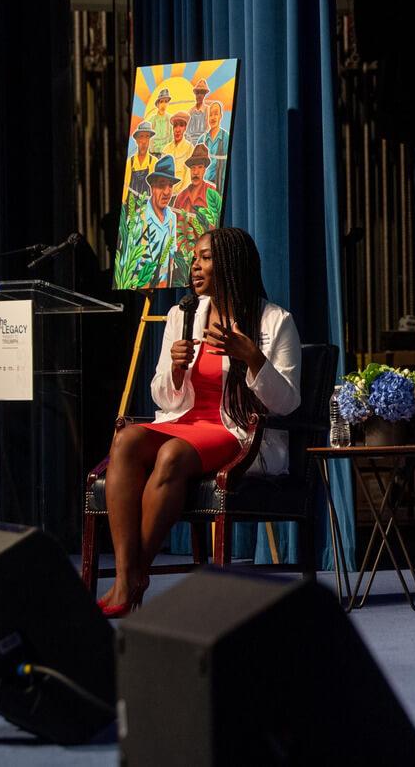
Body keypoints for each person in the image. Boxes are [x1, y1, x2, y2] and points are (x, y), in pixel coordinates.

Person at [97, 227, 300, 615]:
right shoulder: (181, 315)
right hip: (184, 421)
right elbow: (162, 396)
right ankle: (127, 575)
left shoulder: (274, 321)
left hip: (236, 432)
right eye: (195, 259)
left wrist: (253, 358)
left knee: (172, 454)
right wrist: (175, 371)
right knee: (125, 441)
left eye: (205, 258)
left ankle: (133, 575)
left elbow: (288, 403)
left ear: (231, 264)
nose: (195, 267)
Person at [115, 154, 200, 289]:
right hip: (142, 286)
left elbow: (171, 256)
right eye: (161, 185)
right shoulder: (137, 220)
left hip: (165, 285)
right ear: (152, 188)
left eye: (170, 186)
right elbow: (124, 266)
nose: (167, 192)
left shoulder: (172, 218)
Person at [172, 143, 222, 229]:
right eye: (193, 168)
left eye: (200, 167)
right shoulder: (181, 197)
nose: (196, 172)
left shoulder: (213, 194)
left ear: (205, 170)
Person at [123, 120, 158, 199]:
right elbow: (125, 190)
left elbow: (155, 189)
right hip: (131, 206)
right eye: (141, 136)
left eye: (147, 137)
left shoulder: (153, 162)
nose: (144, 141)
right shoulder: (130, 163)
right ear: (136, 140)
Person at [201, 100, 230, 190]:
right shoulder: (203, 139)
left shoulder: (225, 137)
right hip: (203, 186)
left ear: (221, 116)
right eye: (210, 115)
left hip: (218, 186)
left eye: (216, 114)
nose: (213, 117)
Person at [165, 111, 195, 192]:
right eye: (175, 126)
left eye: (181, 125)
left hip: (182, 194)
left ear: (185, 128)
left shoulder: (190, 148)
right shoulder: (166, 149)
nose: (177, 130)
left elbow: (188, 178)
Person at [149, 88, 174, 155]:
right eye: (161, 102)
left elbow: (172, 140)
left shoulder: (170, 119)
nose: (163, 105)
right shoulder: (151, 120)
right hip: (153, 154)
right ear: (157, 104)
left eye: (166, 102)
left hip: (165, 154)